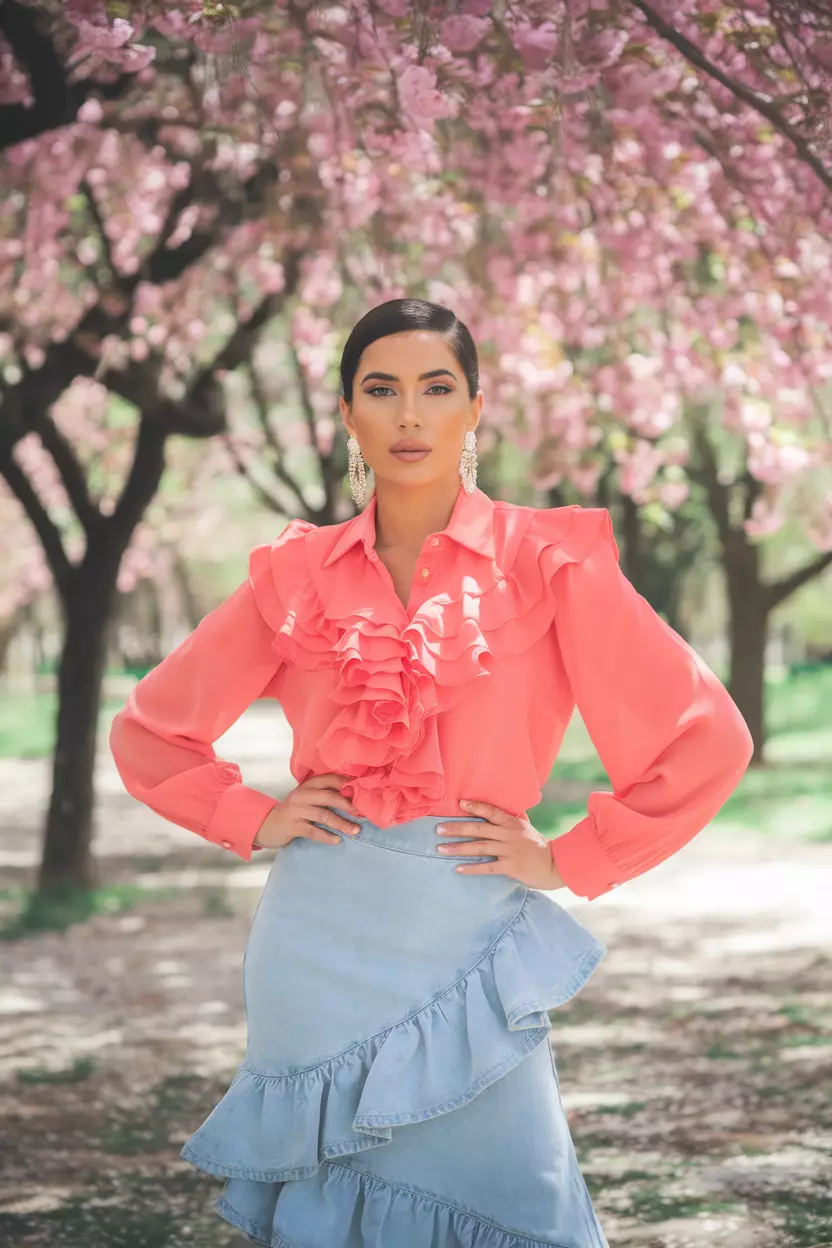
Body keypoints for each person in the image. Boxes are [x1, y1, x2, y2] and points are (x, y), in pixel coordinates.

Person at [109, 298, 754, 1248]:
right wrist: (251, 815)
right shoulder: (293, 576)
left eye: (435, 389)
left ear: (474, 410)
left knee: (515, 1194)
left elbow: (706, 735)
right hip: (315, 939)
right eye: (382, 390)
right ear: (348, 417)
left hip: (468, 930)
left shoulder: (548, 561)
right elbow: (151, 731)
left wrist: (571, 858)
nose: (409, 415)